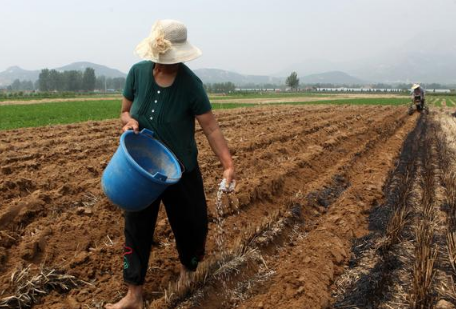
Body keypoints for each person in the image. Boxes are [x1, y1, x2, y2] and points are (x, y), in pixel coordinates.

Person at [106, 19, 235, 309]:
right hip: (142, 169)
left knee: (192, 225)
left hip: (181, 170)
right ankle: (134, 295)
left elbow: (211, 128)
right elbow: (124, 111)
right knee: (136, 227)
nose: (165, 64)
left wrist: (228, 164)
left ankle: (187, 273)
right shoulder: (137, 73)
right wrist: (130, 122)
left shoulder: (191, 85)